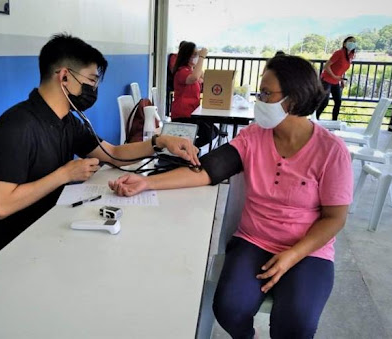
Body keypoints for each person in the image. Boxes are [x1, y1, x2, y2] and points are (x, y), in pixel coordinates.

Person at [109, 55, 353, 339]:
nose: (258, 99)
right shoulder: (254, 137)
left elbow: (335, 218)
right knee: (228, 308)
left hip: (308, 250)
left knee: (296, 322)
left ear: (294, 99)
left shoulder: (331, 151)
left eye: (266, 93)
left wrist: (292, 255)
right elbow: (206, 171)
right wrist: (146, 184)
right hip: (254, 240)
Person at [0, 33, 199, 258]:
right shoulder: (16, 125)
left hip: (52, 225)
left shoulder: (67, 121)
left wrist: (159, 142)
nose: (94, 88)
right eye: (91, 80)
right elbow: (1, 206)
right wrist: (65, 174)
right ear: (64, 76)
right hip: (16, 245)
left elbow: (113, 153)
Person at [171, 41, 217, 148]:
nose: (196, 56)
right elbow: (194, 78)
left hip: (192, 113)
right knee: (208, 134)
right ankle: (188, 149)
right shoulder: (181, 72)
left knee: (213, 131)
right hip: (183, 115)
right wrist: (201, 57)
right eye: (194, 54)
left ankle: (189, 148)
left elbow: (202, 78)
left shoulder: (191, 70)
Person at [316, 36, 356, 120]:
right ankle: (316, 119)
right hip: (326, 79)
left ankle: (334, 121)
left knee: (338, 101)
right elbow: (326, 66)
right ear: (345, 44)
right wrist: (334, 76)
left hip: (336, 81)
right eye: (350, 41)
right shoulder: (339, 53)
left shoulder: (350, 56)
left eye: (354, 42)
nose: (352, 43)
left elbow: (341, 68)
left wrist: (341, 79)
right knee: (324, 101)